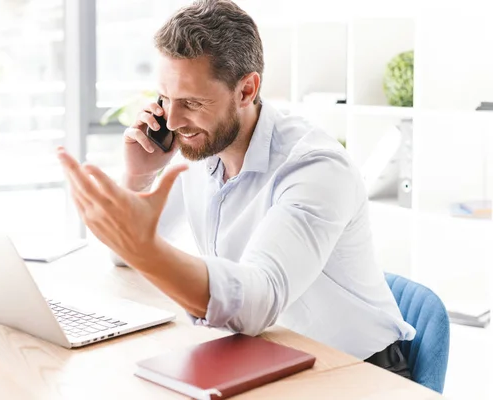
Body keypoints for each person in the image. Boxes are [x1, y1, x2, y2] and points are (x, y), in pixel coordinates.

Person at [57, 0, 415, 377]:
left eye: (191, 102)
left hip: (358, 370)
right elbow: (124, 256)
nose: (174, 121)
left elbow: (256, 302)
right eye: (165, 99)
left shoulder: (315, 167)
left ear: (246, 89)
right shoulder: (199, 150)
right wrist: (139, 177)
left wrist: (147, 250)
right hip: (265, 352)